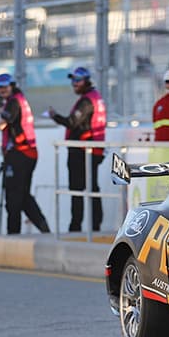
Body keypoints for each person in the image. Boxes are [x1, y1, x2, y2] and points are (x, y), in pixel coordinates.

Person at [47, 66, 106, 233]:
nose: (74, 84)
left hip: (82, 151)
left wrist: (54, 116)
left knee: (79, 191)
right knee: (91, 189)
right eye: (72, 80)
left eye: (78, 80)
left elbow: (72, 122)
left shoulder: (87, 100)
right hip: (91, 150)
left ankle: (77, 227)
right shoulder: (94, 97)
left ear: (87, 81)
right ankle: (93, 226)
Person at [0, 73, 49, 234]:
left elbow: (1, 123)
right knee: (23, 197)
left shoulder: (13, 102)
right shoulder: (16, 100)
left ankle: (13, 235)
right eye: (0, 87)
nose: (2, 89)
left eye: (5, 86)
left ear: (12, 86)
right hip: (26, 153)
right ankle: (45, 230)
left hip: (20, 154)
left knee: (13, 198)